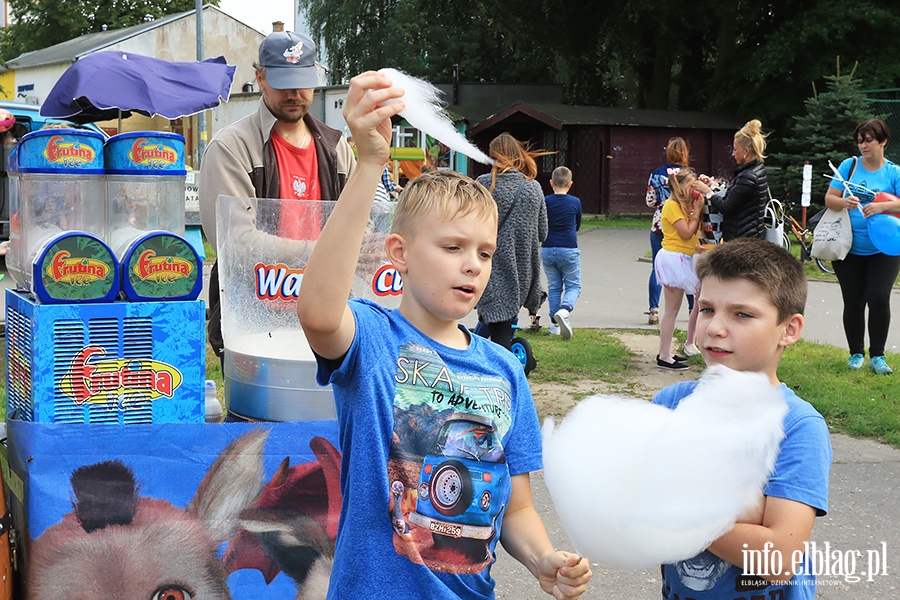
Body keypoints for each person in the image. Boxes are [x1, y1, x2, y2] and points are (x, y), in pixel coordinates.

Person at [296, 71, 592, 599]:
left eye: (484, 252)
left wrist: (543, 558)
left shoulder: (504, 371)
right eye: (452, 247)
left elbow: (516, 506)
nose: (473, 266)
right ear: (399, 254)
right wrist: (369, 164)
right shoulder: (373, 338)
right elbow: (318, 313)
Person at [653, 238, 832, 599]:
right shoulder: (670, 403)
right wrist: (744, 510)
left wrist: (677, 504)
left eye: (742, 314)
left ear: (789, 329)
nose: (715, 328)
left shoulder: (797, 426)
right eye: (706, 309)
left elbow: (778, 558)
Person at [198, 30, 356, 366]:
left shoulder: (337, 149)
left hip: (328, 319)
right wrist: (325, 254)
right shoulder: (232, 148)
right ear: (260, 77)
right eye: (283, 82)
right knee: (257, 418)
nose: (294, 94)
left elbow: (364, 225)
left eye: (302, 82)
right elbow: (236, 245)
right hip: (254, 323)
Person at [825, 118, 900, 374]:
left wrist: (881, 206)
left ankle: (877, 356)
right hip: (848, 246)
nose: (864, 146)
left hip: (885, 248)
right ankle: (856, 353)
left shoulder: (893, 172)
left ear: (883, 141)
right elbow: (829, 199)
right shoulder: (849, 166)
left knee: (879, 297)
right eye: (860, 141)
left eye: (869, 140)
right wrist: (843, 202)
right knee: (853, 301)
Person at [475, 133, 548, 349]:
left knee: (499, 326)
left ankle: (505, 376)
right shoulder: (533, 187)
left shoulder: (484, 184)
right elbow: (543, 232)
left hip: (491, 268)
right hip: (523, 272)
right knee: (498, 320)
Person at [654, 169, 704, 370]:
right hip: (674, 259)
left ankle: (666, 352)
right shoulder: (671, 205)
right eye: (690, 185)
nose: (693, 189)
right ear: (680, 186)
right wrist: (697, 211)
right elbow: (685, 233)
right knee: (671, 311)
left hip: (682, 258)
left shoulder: (681, 205)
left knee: (674, 310)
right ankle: (664, 356)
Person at [694, 119, 770, 242]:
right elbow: (736, 196)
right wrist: (712, 185)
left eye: (735, 149)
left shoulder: (748, 176)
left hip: (741, 241)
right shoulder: (756, 170)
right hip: (750, 237)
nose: (733, 154)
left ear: (746, 151)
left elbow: (726, 207)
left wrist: (708, 192)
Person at [645, 137, 691, 327]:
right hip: (682, 225)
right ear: (685, 153)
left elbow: (650, 200)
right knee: (688, 268)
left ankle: (654, 310)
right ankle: (691, 309)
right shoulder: (688, 175)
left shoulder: (656, 174)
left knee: (657, 268)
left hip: (660, 225)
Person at [542, 166, 582, 339]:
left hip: (548, 247)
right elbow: (578, 224)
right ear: (570, 184)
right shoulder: (575, 202)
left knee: (554, 287)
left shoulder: (545, 201)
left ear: (551, 183)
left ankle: (554, 326)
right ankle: (565, 310)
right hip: (568, 247)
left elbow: (541, 222)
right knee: (574, 285)